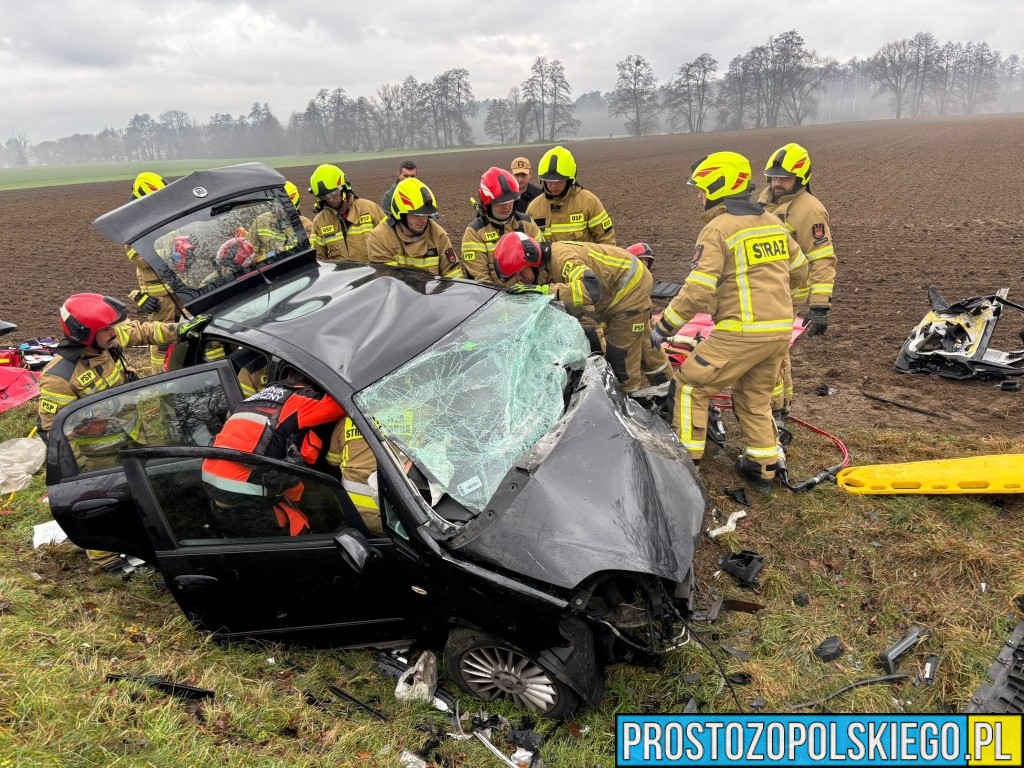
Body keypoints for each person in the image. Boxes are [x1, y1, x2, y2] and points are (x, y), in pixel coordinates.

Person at [650, 152, 808, 493]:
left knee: (691, 384)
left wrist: (663, 328)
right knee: (753, 397)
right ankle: (762, 465)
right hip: (780, 332)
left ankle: (684, 467)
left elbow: (697, 290)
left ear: (717, 187)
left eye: (701, 188)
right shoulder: (772, 222)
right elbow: (800, 272)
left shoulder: (718, 228)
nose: (698, 195)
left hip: (741, 333)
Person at [493, 231, 659, 393]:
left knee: (619, 358)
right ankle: (667, 390)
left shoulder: (560, 258)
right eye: (515, 278)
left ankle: (628, 402)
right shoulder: (543, 269)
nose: (521, 280)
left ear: (533, 259)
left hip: (630, 286)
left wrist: (545, 291)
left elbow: (591, 288)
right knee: (646, 346)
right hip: (617, 287)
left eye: (522, 273)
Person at [37, 293, 209, 441]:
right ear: (84, 334)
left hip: (137, 435)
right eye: (106, 329)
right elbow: (57, 435)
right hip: (102, 457)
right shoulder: (58, 379)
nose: (114, 333)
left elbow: (142, 331)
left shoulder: (105, 343)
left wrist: (178, 330)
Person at [201, 372, 344, 537]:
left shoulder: (252, 399)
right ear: (310, 389)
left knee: (286, 476)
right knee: (303, 491)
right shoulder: (301, 401)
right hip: (241, 489)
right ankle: (306, 537)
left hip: (210, 481)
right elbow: (343, 403)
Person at [758, 143, 837, 429]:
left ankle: (777, 410)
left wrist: (819, 305)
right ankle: (779, 407)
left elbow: (822, 259)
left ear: (801, 179)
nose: (777, 183)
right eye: (774, 177)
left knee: (772, 354)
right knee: (776, 353)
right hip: (763, 292)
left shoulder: (810, 211)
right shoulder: (765, 200)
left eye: (785, 178)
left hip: (786, 294)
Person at [126, 172, 182, 370]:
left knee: (190, 333)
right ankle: (160, 379)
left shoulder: (165, 218)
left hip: (183, 290)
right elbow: (142, 259)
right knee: (161, 343)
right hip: (159, 301)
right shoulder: (132, 226)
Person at [367, 178, 464, 278]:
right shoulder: (380, 238)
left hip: (434, 293)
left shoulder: (438, 235)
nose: (423, 220)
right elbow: (388, 282)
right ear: (401, 215)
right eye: (416, 215)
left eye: (426, 214)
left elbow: (453, 276)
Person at [461, 167, 542, 285]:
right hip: (497, 297)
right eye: (500, 203)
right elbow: (480, 278)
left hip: (533, 293)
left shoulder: (527, 223)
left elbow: (543, 263)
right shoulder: (475, 232)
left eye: (510, 201)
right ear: (487, 204)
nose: (506, 207)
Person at [526, 146, 615, 244]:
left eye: (559, 181)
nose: (553, 186)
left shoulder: (589, 202)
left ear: (570, 180)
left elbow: (606, 240)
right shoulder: (534, 208)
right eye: (549, 181)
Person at [309, 164, 386, 263]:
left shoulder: (370, 209)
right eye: (325, 197)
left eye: (333, 193)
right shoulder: (320, 222)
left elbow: (390, 241)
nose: (331, 200)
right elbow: (317, 258)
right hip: (343, 278)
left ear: (344, 188)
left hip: (372, 275)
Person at [624, 243, 672, 397]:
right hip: (624, 335)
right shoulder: (619, 288)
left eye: (646, 261)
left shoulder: (644, 284)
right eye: (640, 260)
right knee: (627, 375)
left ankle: (669, 395)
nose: (644, 264)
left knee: (658, 363)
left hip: (644, 332)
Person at [326, 415, 384, 536]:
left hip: (356, 515)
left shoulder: (346, 421)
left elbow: (333, 461)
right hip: (401, 518)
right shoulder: (416, 417)